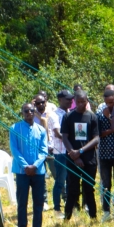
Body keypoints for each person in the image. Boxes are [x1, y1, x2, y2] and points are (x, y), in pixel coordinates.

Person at [9, 102, 49, 227]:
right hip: (22, 172)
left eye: (31, 110)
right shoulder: (15, 128)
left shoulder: (41, 130)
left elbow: (44, 151)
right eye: (26, 111)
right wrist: (26, 166)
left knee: (38, 201)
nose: (29, 113)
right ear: (22, 113)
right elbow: (15, 150)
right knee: (22, 202)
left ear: (34, 112)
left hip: (38, 172)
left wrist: (35, 166)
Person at [61, 90, 100, 221]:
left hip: (89, 158)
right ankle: (67, 218)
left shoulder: (92, 116)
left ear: (87, 101)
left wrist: (81, 151)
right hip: (72, 158)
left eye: (84, 101)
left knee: (89, 188)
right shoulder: (68, 117)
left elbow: (96, 139)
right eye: (78, 102)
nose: (81, 104)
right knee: (73, 189)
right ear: (74, 102)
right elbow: (65, 137)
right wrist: (75, 155)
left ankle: (93, 217)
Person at [97, 88, 114, 219]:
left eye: (111, 102)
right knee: (106, 184)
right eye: (107, 103)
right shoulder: (100, 114)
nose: (109, 105)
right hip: (104, 153)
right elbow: (100, 133)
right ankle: (106, 211)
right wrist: (113, 129)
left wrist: (111, 119)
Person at [48, 89, 70, 217]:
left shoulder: (70, 113)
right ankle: (57, 209)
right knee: (60, 181)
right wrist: (72, 138)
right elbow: (58, 133)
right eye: (67, 99)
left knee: (71, 180)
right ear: (60, 100)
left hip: (70, 151)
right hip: (60, 152)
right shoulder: (55, 115)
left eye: (71, 99)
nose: (70, 101)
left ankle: (71, 205)